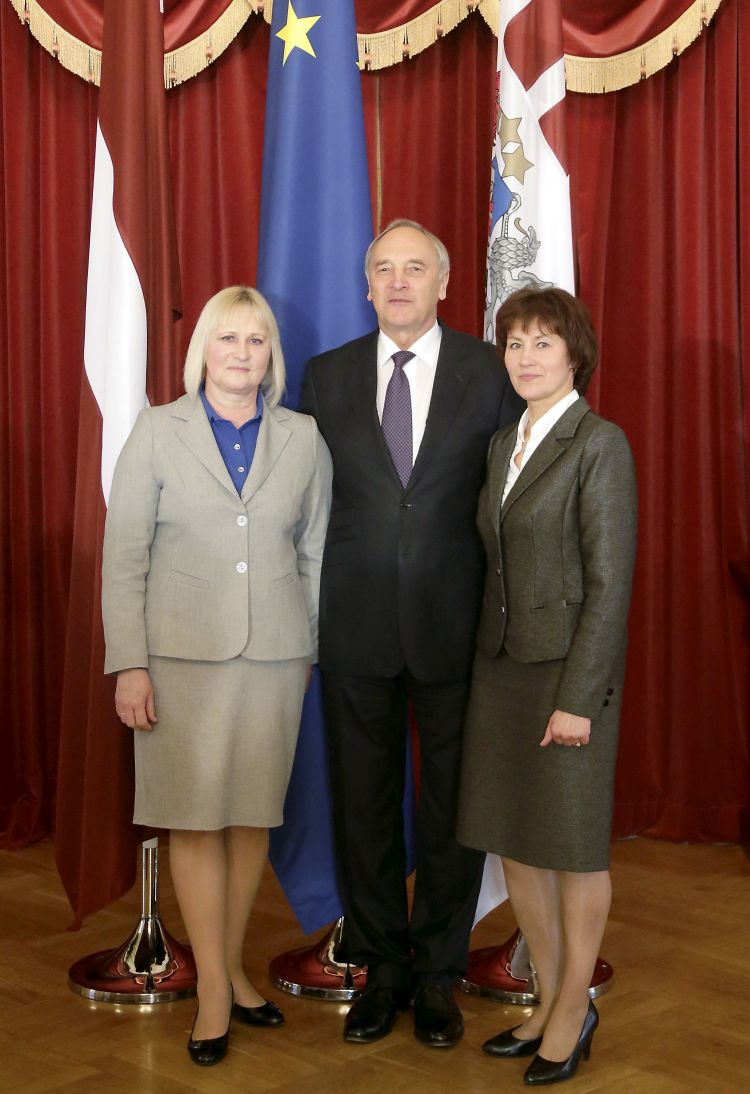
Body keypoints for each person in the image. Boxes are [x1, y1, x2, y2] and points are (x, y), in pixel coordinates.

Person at [301, 219, 524, 1048]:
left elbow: (514, 501)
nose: (399, 282)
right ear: (367, 286)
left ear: (445, 283)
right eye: (385, 269)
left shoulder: (489, 372)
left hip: (458, 630)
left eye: (416, 268)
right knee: (362, 806)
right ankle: (380, 970)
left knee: (452, 808)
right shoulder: (324, 377)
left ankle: (436, 973)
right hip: (354, 626)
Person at [102, 286, 332, 1067]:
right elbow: (124, 558)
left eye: (256, 340)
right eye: (228, 338)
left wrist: (307, 648)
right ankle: (209, 991)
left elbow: (315, 553)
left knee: (249, 820)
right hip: (178, 661)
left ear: (272, 356)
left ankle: (231, 970)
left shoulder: (303, 437)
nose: (242, 353)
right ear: (203, 349)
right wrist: (130, 663)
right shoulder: (156, 431)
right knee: (195, 820)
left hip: (273, 660)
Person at [456, 287, 637, 1085]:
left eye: (543, 343)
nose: (526, 357)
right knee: (515, 840)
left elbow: (610, 585)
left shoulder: (600, 444)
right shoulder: (504, 443)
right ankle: (544, 995)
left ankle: (573, 1008)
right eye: (515, 343)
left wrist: (578, 699)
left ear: (574, 354)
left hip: (567, 677)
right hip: (501, 669)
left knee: (571, 845)